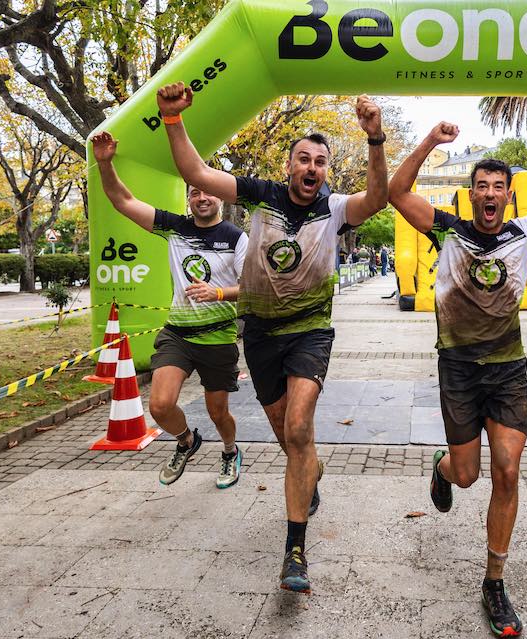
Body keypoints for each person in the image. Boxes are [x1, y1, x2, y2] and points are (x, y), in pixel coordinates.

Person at [156, 82, 389, 594]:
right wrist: (173, 120)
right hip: (259, 335)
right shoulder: (262, 194)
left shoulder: (334, 208)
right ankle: (310, 471)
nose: (311, 167)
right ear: (289, 166)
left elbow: (377, 198)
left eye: (320, 161)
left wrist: (374, 138)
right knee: (290, 438)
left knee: (301, 426)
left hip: (309, 332)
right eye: (303, 159)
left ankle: (295, 551)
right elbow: (197, 173)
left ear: (327, 169)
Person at [389, 122, 527, 637]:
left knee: (506, 469)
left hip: (507, 369)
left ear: (507, 195)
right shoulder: (447, 228)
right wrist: (432, 144)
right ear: (471, 193)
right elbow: (395, 193)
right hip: (457, 369)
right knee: (468, 474)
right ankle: (444, 467)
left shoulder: (524, 231)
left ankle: (495, 582)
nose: (489, 193)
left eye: (498, 186)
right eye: (481, 185)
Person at [90, 131, 248, 492]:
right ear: (189, 199)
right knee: (160, 406)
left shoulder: (236, 238)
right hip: (178, 333)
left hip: (217, 336)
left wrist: (219, 291)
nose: (202, 196)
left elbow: (254, 287)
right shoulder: (174, 228)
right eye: (195, 192)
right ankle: (186, 442)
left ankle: (229, 450)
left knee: (218, 412)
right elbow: (122, 200)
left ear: (220, 197)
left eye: (208, 191)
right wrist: (105, 163)